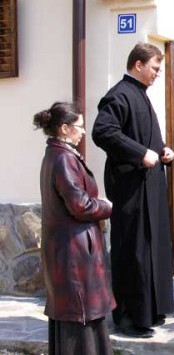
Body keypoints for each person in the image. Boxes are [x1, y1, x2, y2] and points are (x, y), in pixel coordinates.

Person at [92, 42, 174, 338]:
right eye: (154, 68)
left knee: (152, 248)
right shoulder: (118, 95)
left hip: (149, 185)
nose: (157, 74)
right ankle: (129, 317)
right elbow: (102, 132)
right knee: (134, 251)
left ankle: (150, 310)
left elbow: (147, 135)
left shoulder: (140, 95)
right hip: (130, 188)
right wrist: (140, 153)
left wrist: (163, 150)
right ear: (138, 65)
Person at [33, 101, 115, 355]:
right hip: (74, 252)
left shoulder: (57, 155)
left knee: (77, 314)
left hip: (69, 249)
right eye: (79, 126)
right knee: (80, 316)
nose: (82, 131)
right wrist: (105, 206)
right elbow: (79, 206)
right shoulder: (63, 159)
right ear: (65, 128)